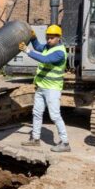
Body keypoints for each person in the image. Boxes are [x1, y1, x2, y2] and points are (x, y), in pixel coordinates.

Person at [21, 24, 70, 153]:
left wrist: (27, 51)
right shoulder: (48, 47)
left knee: (55, 115)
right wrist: (33, 38)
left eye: (52, 38)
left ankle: (65, 143)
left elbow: (45, 59)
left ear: (59, 38)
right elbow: (38, 47)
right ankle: (35, 139)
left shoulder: (59, 52)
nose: (49, 40)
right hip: (41, 86)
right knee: (37, 113)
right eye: (48, 37)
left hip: (52, 89)